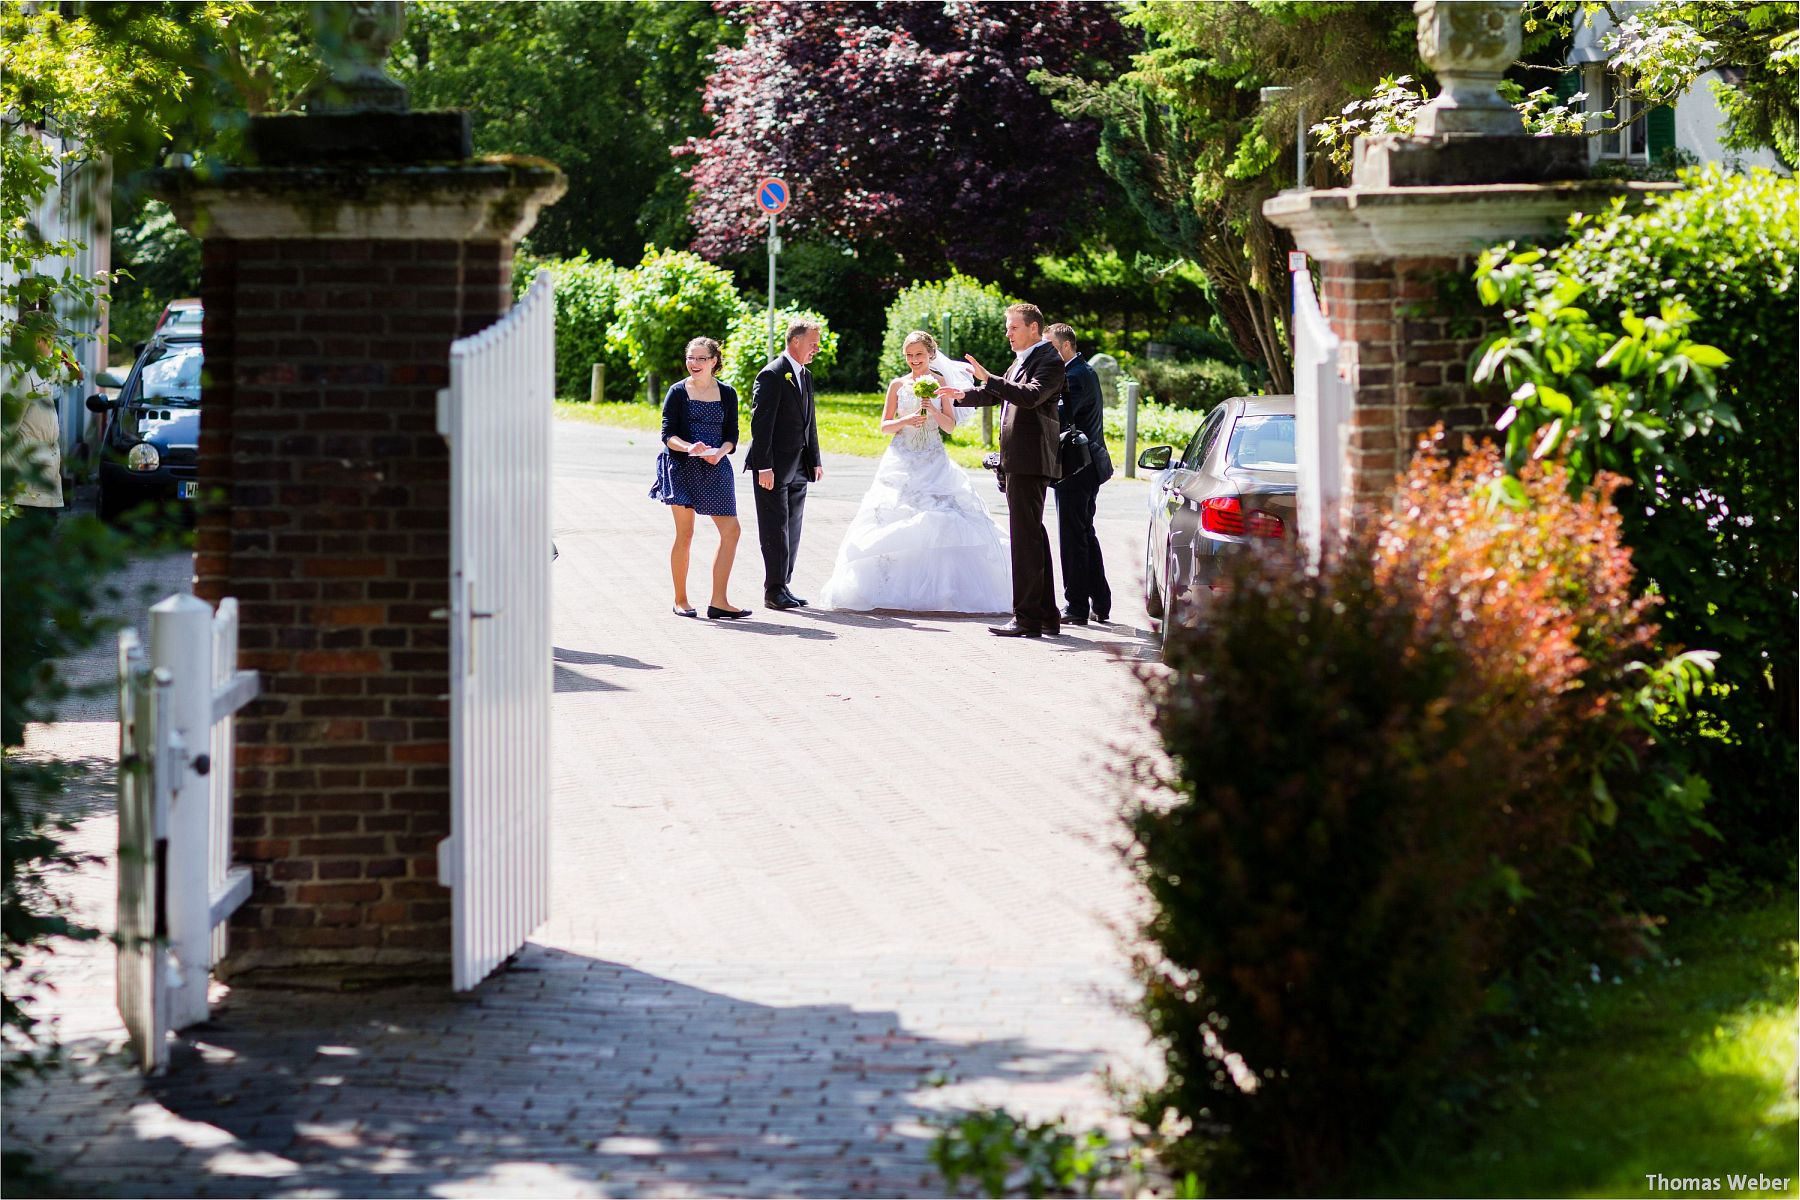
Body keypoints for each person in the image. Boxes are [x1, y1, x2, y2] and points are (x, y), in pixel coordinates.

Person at [817, 331, 1011, 614]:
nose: (913, 361)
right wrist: (906, 420)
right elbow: (885, 425)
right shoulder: (897, 385)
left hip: (933, 460)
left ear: (930, 354)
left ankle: (943, 589)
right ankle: (887, 586)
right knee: (893, 515)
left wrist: (932, 408)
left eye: (919, 355)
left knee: (941, 518)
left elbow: (949, 427)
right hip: (901, 458)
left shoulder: (941, 383)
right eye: (909, 355)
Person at [938, 303, 1065, 638]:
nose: (1008, 334)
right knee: (1032, 537)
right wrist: (962, 394)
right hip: (1017, 461)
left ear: (1034, 329)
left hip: (1030, 461)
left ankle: (1026, 619)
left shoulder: (1048, 360)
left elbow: (1030, 396)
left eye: (1013, 328)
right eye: (1007, 328)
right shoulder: (1022, 360)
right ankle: (1046, 615)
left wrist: (989, 378)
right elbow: (998, 396)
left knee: (1026, 540)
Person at [648, 336, 751, 620]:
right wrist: (690, 447)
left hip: (716, 466)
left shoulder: (728, 393)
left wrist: (720, 452)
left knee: (732, 531)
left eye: (701, 358)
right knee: (686, 533)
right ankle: (680, 599)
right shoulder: (677, 392)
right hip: (681, 467)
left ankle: (719, 601)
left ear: (714, 361)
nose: (694, 363)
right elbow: (667, 435)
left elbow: (732, 436)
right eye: (690, 358)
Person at [745, 319, 824, 612]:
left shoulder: (805, 375)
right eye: (813, 343)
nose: (817, 348)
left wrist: (814, 459)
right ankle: (773, 589)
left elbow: (809, 422)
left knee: (793, 525)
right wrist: (763, 466)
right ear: (795, 342)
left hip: (800, 465)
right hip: (773, 466)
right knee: (774, 526)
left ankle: (784, 584)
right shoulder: (772, 374)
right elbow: (760, 425)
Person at [1045, 323, 1113, 626]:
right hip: (1085, 464)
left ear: (1065, 348)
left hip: (1077, 466)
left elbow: (1057, 417)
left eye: (1049, 348)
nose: (1045, 353)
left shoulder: (1074, 376)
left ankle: (1076, 606)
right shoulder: (1082, 371)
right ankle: (1100, 600)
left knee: (1073, 537)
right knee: (1083, 533)